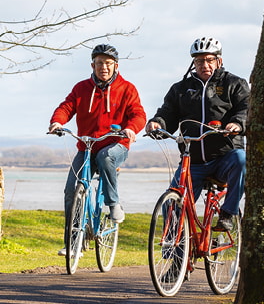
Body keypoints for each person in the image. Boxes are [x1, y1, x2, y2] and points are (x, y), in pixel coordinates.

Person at [146, 36, 249, 232]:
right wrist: (157, 123)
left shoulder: (234, 84)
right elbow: (168, 112)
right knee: (173, 203)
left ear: (219, 60)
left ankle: (228, 213)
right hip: (192, 160)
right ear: (193, 62)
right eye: (199, 60)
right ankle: (175, 254)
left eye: (209, 60)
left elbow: (245, 108)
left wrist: (236, 123)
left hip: (224, 156)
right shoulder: (181, 89)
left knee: (241, 159)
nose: (204, 65)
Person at [49, 44, 146, 244]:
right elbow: (67, 107)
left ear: (116, 66)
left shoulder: (127, 88)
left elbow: (138, 114)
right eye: (100, 63)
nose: (104, 67)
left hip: (115, 144)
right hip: (87, 146)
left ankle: (113, 204)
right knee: (70, 190)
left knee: (106, 157)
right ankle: (74, 241)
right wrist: (57, 121)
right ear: (92, 65)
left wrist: (131, 128)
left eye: (108, 63)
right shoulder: (81, 88)